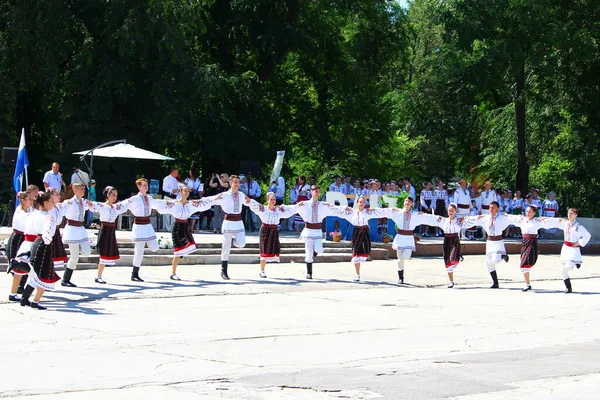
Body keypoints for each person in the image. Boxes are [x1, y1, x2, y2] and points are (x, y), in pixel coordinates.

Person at [159, 186, 220, 280]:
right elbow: (161, 204)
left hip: (185, 227)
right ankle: (173, 273)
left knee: (188, 247)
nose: (187, 192)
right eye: (185, 191)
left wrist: (215, 199)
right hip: (177, 228)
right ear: (180, 192)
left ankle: (175, 269)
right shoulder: (175, 203)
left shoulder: (191, 203)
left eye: (188, 191)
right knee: (178, 252)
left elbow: (203, 202)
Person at [329, 196, 395, 282]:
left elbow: (380, 212)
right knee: (356, 253)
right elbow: (340, 209)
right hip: (356, 231)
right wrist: (330, 205)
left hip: (365, 231)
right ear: (357, 203)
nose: (362, 203)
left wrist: (390, 209)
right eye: (360, 202)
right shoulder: (352, 211)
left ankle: (361, 266)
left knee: (365, 251)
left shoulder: (367, 212)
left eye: (363, 202)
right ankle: (357, 274)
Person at [19, 191, 62, 310]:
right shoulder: (47, 216)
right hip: (44, 244)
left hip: (37, 242)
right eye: (52, 201)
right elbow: (47, 232)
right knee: (45, 275)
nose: (54, 204)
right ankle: (35, 301)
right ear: (47, 202)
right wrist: (48, 241)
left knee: (36, 273)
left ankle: (25, 298)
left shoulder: (35, 214)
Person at [246, 193, 299, 277]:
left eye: (274, 199)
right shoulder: (263, 209)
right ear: (267, 200)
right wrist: (247, 200)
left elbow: (290, 209)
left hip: (274, 230)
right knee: (263, 250)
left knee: (273, 249)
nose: (273, 201)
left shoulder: (278, 210)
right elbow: (253, 204)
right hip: (265, 230)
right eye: (271, 199)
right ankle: (262, 271)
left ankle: (265, 269)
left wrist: (298, 205)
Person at [388, 197, 437, 285]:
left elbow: (427, 218)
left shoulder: (415, 214)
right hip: (400, 237)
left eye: (410, 201)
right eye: (406, 201)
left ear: (412, 204)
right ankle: (400, 278)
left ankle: (401, 273)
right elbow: (385, 212)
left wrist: (424, 214)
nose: (407, 202)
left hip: (408, 237)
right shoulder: (398, 212)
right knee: (400, 260)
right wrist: (390, 209)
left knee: (406, 256)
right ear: (404, 202)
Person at [87, 186, 130, 284]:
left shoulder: (115, 207)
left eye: (116, 195)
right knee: (103, 252)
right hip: (105, 229)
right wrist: (87, 202)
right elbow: (92, 204)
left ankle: (99, 275)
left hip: (111, 230)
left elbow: (125, 204)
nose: (115, 197)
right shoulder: (102, 206)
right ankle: (98, 276)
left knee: (107, 252)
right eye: (113, 195)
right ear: (107, 195)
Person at [543, 208, 591, 293]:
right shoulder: (565, 223)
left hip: (573, 249)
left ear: (576, 215)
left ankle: (577, 262)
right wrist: (544, 219)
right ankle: (568, 287)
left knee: (568, 267)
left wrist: (579, 242)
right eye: (569, 213)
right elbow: (555, 222)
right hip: (565, 248)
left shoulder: (578, 226)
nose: (569, 215)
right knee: (562, 270)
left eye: (572, 213)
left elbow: (587, 235)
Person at [465, 201, 511, 288]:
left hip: (498, 241)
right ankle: (495, 283)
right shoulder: (486, 218)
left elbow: (513, 218)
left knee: (495, 260)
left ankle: (502, 255)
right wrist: (464, 219)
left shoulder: (502, 217)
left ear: (497, 208)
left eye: (493, 207)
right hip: (490, 242)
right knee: (489, 263)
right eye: (490, 207)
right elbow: (474, 219)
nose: (491, 209)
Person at [127, 178, 166, 282]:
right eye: (144, 185)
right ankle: (134, 274)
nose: (146, 187)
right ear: (139, 187)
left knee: (154, 248)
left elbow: (158, 204)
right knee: (139, 251)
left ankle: (135, 273)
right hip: (139, 225)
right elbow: (124, 204)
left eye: (146, 185)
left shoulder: (149, 198)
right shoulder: (134, 198)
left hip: (147, 225)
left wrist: (172, 203)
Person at [211, 175, 248, 280]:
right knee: (226, 247)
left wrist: (259, 206)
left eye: (238, 182)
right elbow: (212, 200)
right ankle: (224, 270)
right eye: (235, 182)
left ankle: (233, 242)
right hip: (228, 222)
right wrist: (202, 201)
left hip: (238, 222)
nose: (237, 184)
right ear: (230, 183)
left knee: (241, 243)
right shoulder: (225, 195)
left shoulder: (241, 194)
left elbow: (248, 201)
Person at [295, 185, 335, 279]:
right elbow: (294, 208)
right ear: (311, 192)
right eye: (314, 190)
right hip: (308, 230)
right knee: (308, 254)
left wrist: (334, 206)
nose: (316, 192)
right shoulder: (305, 203)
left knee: (319, 249)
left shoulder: (323, 204)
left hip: (317, 230)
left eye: (318, 190)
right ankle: (309, 273)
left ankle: (313, 254)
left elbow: (335, 209)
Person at [506, 206, 549, 291]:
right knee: (523, 263)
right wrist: (506, 215)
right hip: (524, 242)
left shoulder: (537, 221)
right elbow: (512, 217)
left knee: (525, 262)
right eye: (526, 211)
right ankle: (527, 284)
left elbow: (550, 221)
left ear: (534, 213)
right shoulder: (522, 220)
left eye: (530, 211)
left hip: (532, 242)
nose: (527, 213)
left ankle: (527, 284)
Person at [429, 203, 472, 288]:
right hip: (447, 241)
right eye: (449, 210)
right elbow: (432, 218)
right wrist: (423, 215)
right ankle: (451, 281)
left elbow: (471, 220)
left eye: (452, 211)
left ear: (455, 211)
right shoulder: (443, 220)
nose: (450, 212)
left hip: (455, 240)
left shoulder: (459, 221)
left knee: (454, 260)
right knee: (447, 261)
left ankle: (456, 261)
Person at [61, 182, 93, 287]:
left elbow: (94, 206)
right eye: (81, 189)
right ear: (75, 190)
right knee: (74, 257)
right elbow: (59, 208)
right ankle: (66, 279)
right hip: (72, 230)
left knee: (87, 252)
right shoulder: (68, 202)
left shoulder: (83, 202)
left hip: (81, 229)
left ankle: (78, 248)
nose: (83, 191)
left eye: (83, 189)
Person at [6, 191, 32, 301]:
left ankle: (19, 290)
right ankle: (17, 291)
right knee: (18, 265)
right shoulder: (20, 211)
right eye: (29, 199)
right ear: (23, 201)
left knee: (25, 266)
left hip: (24, 239)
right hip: (17, 239)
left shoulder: (28, 211)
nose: (31, 201)